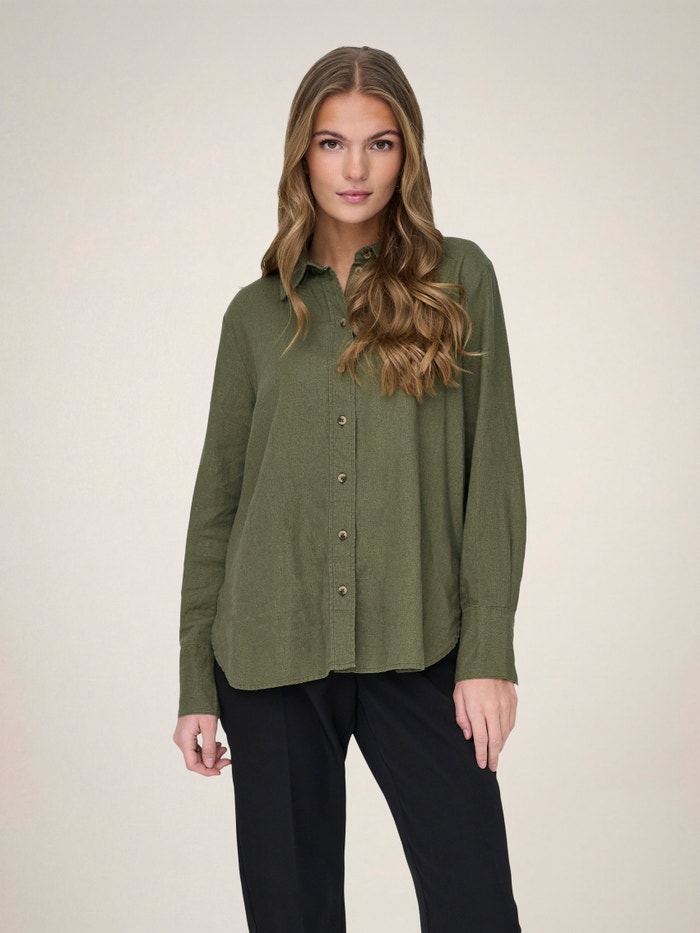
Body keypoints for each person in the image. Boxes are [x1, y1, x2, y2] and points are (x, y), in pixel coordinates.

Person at [173, 46, 525, 933]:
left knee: (476, 906)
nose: (356, 168)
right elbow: (218, 503)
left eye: (380, 143)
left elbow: (493, 471)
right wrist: (193, 682)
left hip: (420, 637)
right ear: (304, 153)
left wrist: (488, 650)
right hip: (270, 650)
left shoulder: (460, 280)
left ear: (408, 154)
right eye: (333, 143)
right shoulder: (254, 315)